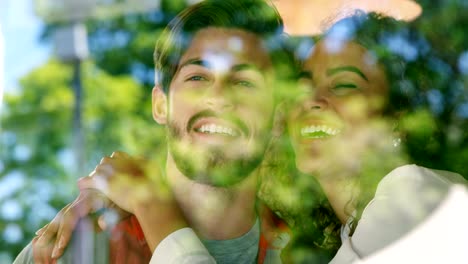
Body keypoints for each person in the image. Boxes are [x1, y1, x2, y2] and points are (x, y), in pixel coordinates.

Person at [14, 0, 295, 263]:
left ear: (278, 116)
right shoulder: (77, 250)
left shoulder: (309, 251)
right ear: (161, 105)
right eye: (197, 77)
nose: (219, 98)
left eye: (244, 82)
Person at [259, 12, 468, 263]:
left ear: (394, 120)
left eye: (344, 85)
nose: (311, 100)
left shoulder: (413, 194)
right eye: (303, 88)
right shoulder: (357, 229)